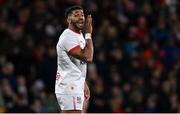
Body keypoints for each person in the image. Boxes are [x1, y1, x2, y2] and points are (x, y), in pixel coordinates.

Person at [55, 5, 93, 113]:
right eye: (76, 15)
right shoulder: (68, 37)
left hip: (73, 84)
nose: (81, 17)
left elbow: (77, 63)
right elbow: (88, 57)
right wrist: (89, 34)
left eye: (82, 15)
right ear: (69, 19)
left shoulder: (78, 35)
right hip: (69, 86)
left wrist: (83, 82)